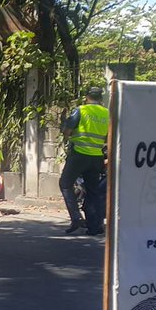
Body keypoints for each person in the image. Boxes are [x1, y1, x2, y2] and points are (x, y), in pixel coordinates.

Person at [60, 87, 108, 236]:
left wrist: (70, 135)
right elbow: (108, 136)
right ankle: (95, 226)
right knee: (93, 191)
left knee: (65, 184)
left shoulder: (81, 110)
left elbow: (67, 131)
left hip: (79, 155)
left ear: (87, 97)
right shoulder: (107, 113)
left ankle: (76, 218)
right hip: (96, 157)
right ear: (100, 98)